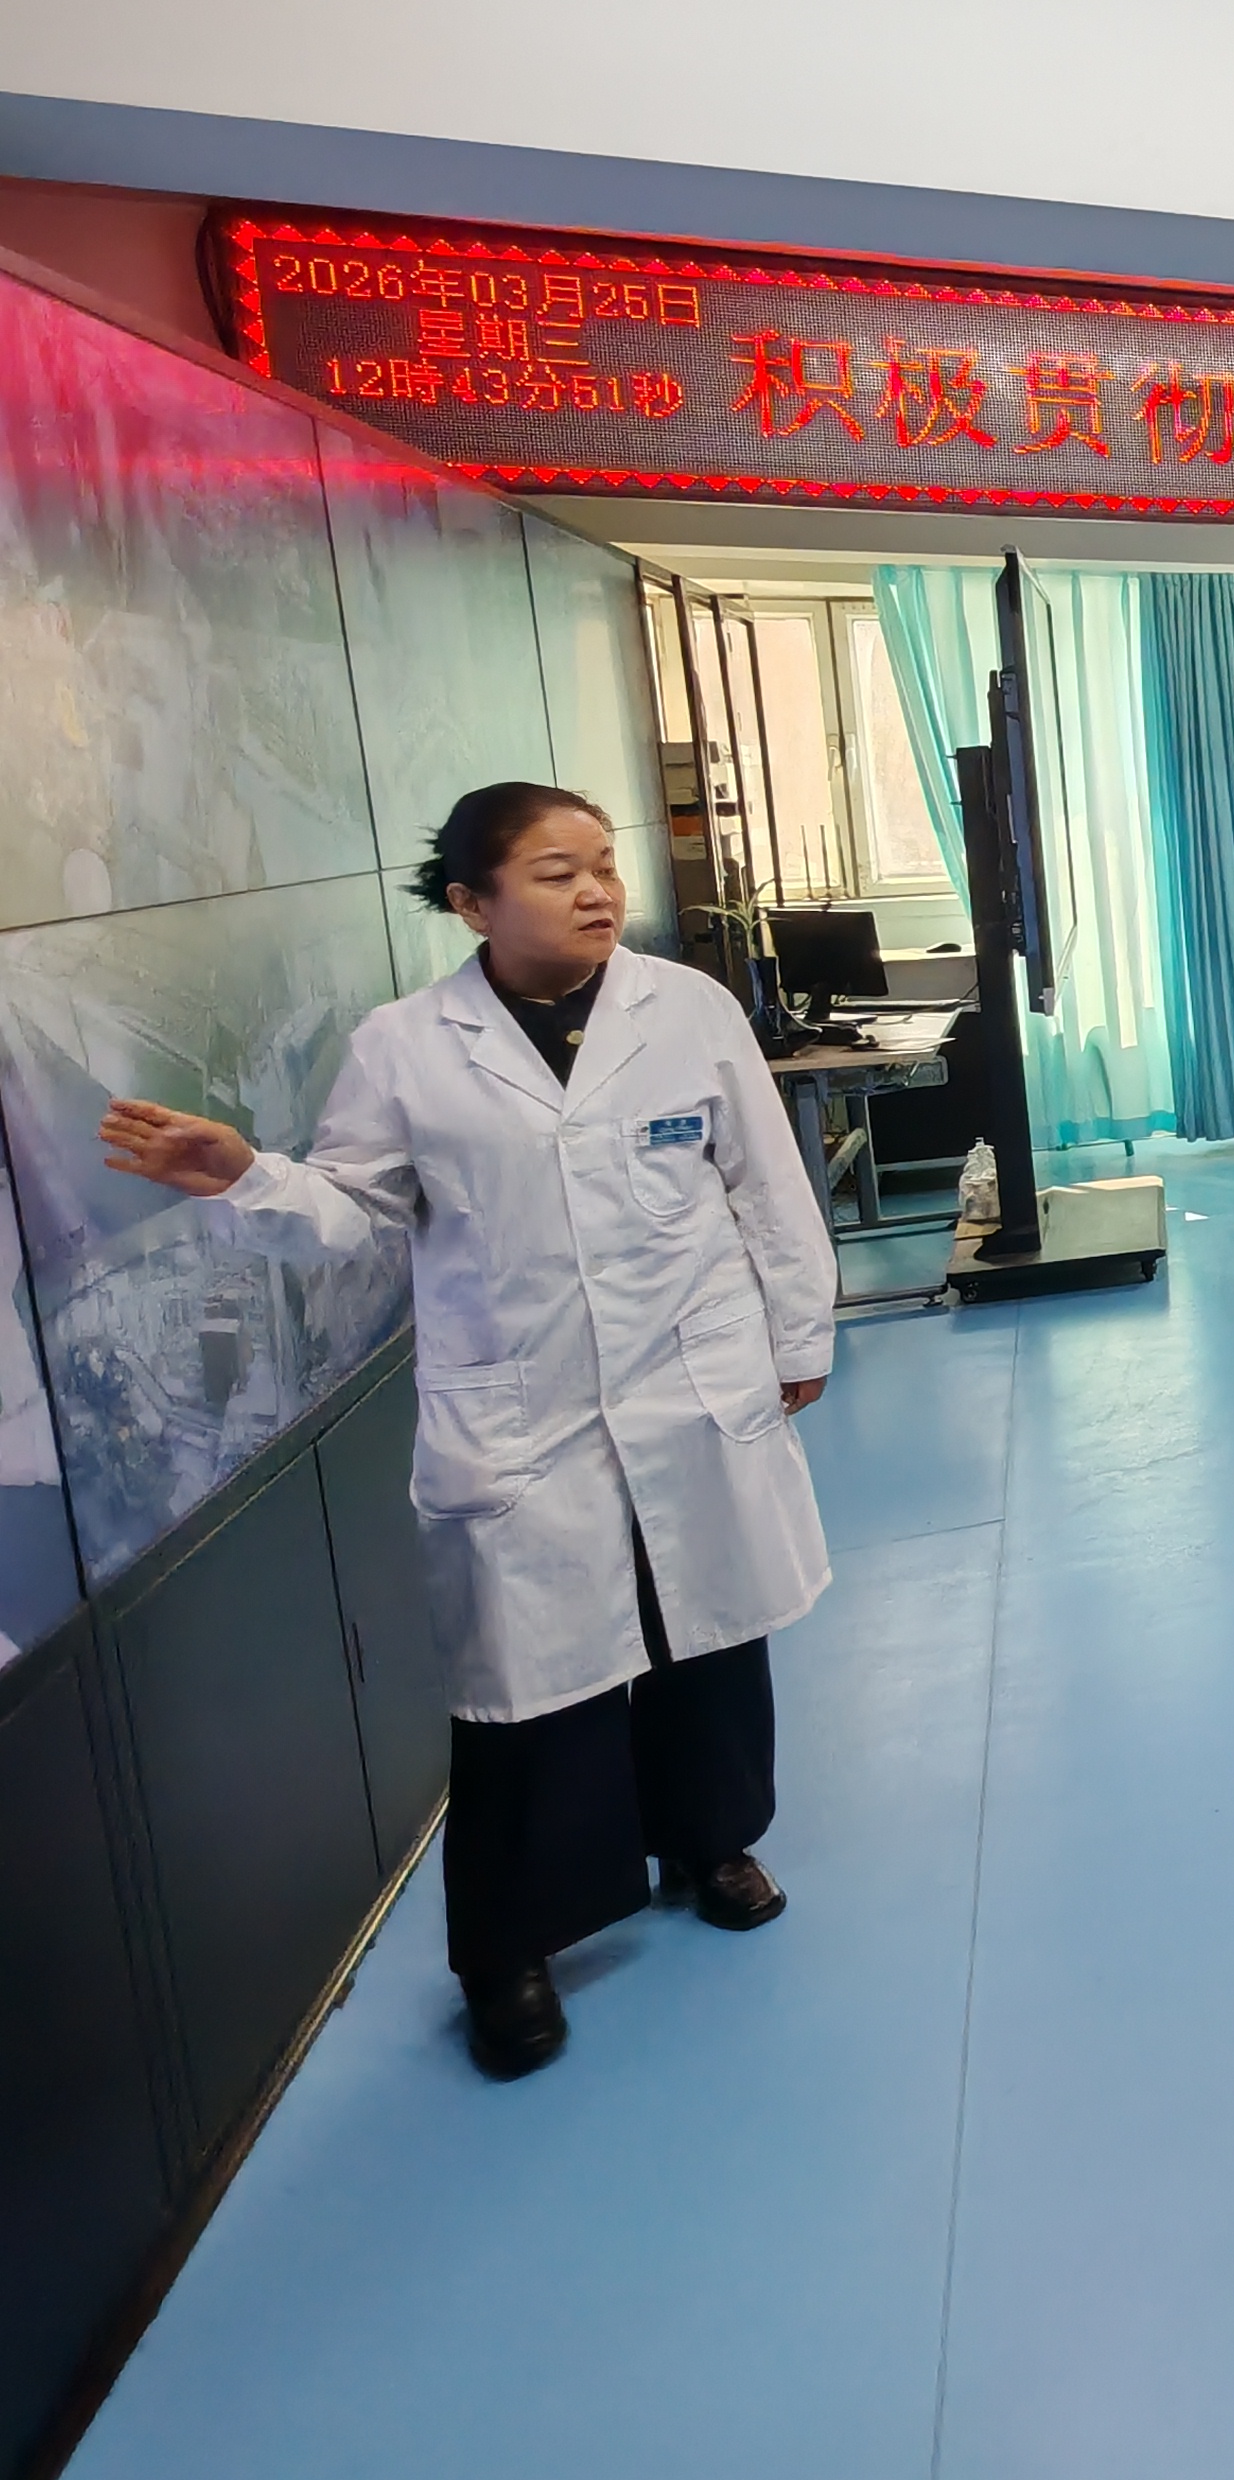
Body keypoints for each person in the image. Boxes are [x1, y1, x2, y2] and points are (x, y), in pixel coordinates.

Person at [97, 783, 833, 2082]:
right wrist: (246, 1177)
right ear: (471, 903)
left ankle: (710, 1842)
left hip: (688, 1386)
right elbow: (354, 1211)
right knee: (526, 1693)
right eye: (556, 872)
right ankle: (509, 1951)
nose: (596, 890)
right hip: (526, 1411)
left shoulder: (688, 1012)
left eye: (602, 864)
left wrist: (797, 1336)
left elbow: (766, 1186)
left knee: (707, 1637)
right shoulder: (406, 1047)